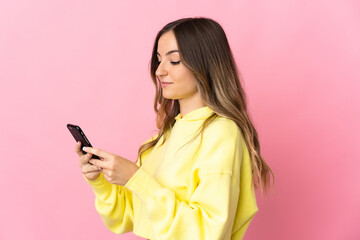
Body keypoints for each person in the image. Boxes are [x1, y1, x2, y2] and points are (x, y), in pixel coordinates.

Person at [75, 17, 274, 240]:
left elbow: (208, 233)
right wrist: (99, 181)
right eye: (158, 61)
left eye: (175, 61)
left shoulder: (221, 132)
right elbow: (126, 216)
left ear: (205, 64)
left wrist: (135, 177)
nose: (160, 71)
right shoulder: (168, 135)